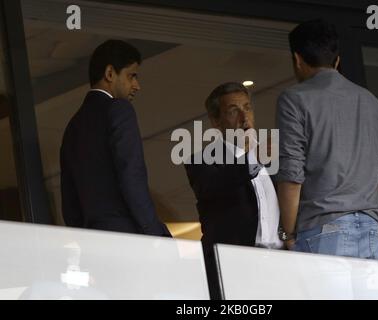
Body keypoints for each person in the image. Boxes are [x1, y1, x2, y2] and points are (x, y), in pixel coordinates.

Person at [276, 19, 378, 260]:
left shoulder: (294, 99)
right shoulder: (372, 103)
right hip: (370, 229)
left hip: (323, 227)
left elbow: (292, 176)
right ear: (336, 60)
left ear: (297, 59)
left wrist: (288, 234)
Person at [60, 40, 171, 237]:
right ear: (110, 73)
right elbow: (131, 175)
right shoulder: (119, 109)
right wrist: (153, 231)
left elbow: (69, 201)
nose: (137, 85)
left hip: (93, 243)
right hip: (128, 236)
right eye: (131, 76)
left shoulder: (72, 127)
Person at [185, 82, 282, 299]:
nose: (244, 117)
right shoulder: (201, 161)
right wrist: (252, 158)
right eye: (233, 111)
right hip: (235, 270)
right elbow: (211, 187)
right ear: (216, 120)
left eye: (247, 108)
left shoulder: (274, 157)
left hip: (280, 267)